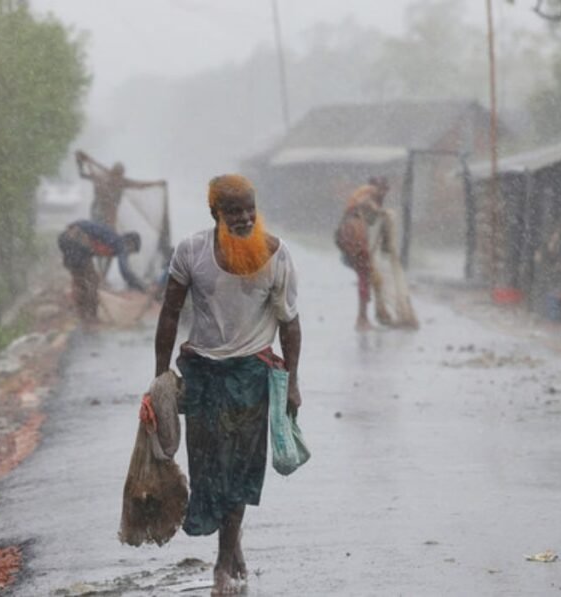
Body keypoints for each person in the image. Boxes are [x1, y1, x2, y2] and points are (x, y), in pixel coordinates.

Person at [154, 174, 301, 595]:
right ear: (215, 212)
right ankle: (232, 543)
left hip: (251, 376)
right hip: (202, 375)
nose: (242, 217)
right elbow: (169, 313)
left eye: (248, 208)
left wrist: (292, 382)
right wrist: (161, 375)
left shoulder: (276, 254)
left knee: (239, 468)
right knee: (207, 469)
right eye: (232, 210)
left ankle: (222, 563)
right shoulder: (191, 252)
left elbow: (290, 325)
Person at [57, 219, 146, 322]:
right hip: (75, 241)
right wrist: (142, 288)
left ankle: (82, 314)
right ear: (130, 243)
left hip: (65, 238)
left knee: (81, 279)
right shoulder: (120, 244)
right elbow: (125, 272)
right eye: (131, 251)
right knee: (92, 281)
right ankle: (90, 317)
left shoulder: (109, 240)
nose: (128, 254)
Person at [334, 177, 393, 330]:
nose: (384, 195)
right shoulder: (370, 192)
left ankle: (366, 316)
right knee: (365, 274)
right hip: (354, 234)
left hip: (348, 234)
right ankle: (362, 319)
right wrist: (379, 210)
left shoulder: (361, 193)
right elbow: (366, 203)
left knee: (367, 275)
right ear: (380, 187)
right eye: (384, 191)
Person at [75, 150, 166, 231]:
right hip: (98, 211)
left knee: (107, 230)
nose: (117, 178)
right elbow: (83, 174)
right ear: (113, 172)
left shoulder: (122, 182)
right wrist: (81, 162)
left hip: (109, 215)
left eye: (119, 174)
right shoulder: (102, 178)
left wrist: (156, 183)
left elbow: (140, 185)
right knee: (97, 229)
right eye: (116, 173)